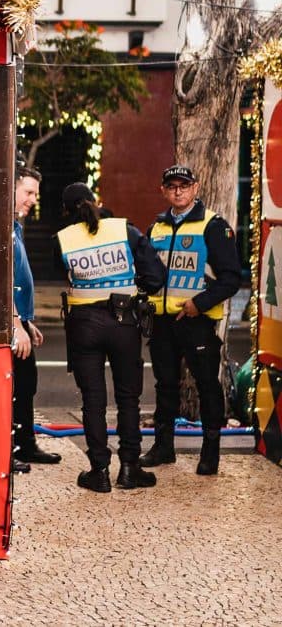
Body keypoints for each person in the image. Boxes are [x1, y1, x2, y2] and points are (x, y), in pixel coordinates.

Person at [56, 183, 165, 493]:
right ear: (95, 201)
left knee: (93, 401)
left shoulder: (63, 239)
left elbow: (59, 270)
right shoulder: (125, 231)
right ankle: (129, 468)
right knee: (128, 397)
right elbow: (156, 278)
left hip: (83, 326)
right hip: (124, 321)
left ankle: (99, 472)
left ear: (67, 211)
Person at [140, 165, 241, 475]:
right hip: (162, 322)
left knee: (208, 386)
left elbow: (231, 279)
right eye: (171, 186)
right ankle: (163, 447)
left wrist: (200, 304)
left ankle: (210, 453)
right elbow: (146, 272)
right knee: (165, 385)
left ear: (195, 188)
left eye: (184, 185)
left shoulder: (213, 226)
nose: (178, 191)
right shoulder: (156, 228)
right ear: (163, 191)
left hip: (196, 321)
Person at [11, 164, 61, 472]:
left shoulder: (15, 227)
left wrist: (28, 320)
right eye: (28, 192)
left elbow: (18, 282)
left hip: (21, 322)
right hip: (11, 326)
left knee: (27, 385)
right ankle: (12, 449)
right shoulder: (3, 228)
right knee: (15, 389)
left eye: (35, 194)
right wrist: (17, 324)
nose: (32, 200)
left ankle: (26, 445)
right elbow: (2, 283)